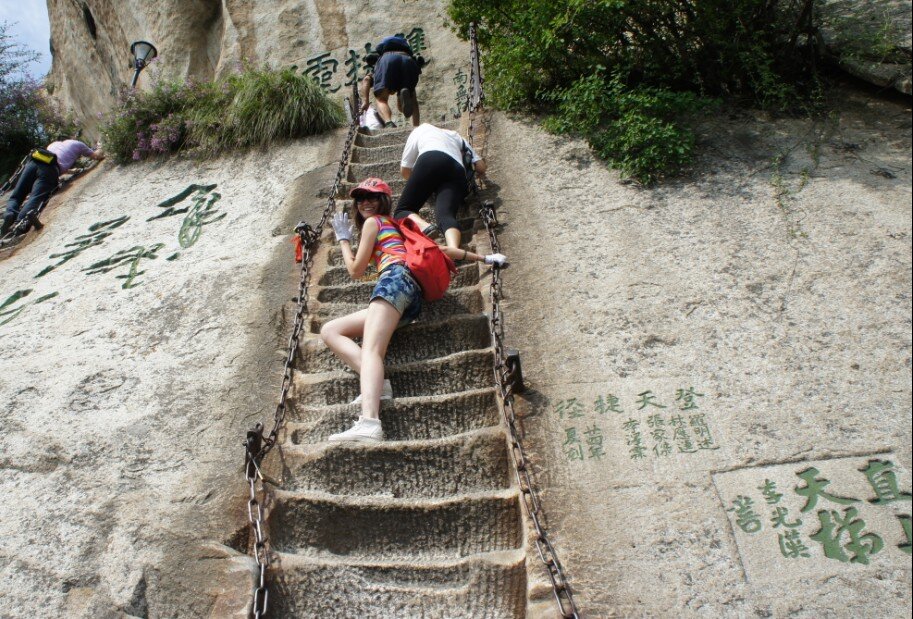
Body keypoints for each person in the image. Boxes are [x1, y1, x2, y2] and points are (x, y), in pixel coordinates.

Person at [321, 177, 507, 442]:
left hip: (394, 281)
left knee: (373, 349)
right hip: (410, 297)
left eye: (373, 197)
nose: (366, 203)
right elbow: (439, 249)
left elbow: (355, 270)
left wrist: (342, 240)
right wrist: (485, 258)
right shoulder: (398, 227)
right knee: (331, 330)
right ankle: (377, 384)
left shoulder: (374, 223)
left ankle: (370, 421)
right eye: (361, 198)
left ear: (384, 200)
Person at [394, 123, 504, 265]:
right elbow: (481, 166)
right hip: (457, 170)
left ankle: (425, 227)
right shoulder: (455, 135)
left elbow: (405, 170)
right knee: (445, 215)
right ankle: (453, 250)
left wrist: (424, 185)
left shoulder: (420, 129)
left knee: (402, 210)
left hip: (430, 159)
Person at [2, 137, 104, 236]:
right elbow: (96, 156)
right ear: (72, 138)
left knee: (17, 195)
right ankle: (19, 223)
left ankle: (10, 213)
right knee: (36, 197)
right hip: (50, 169)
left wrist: (71, 170)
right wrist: (100, 147)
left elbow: (54, 160)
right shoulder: (78, 144)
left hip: (34, 162)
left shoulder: (53, 144)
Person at [359, 35, 421, 128]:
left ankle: (388, 122)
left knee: (381, 99)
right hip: (408, 60)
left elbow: (366, 79)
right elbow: (415, 104)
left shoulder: (380, 62)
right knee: (411, 100)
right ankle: (416, 126)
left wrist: (365, 101)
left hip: (388, 60)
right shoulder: (407, 53)